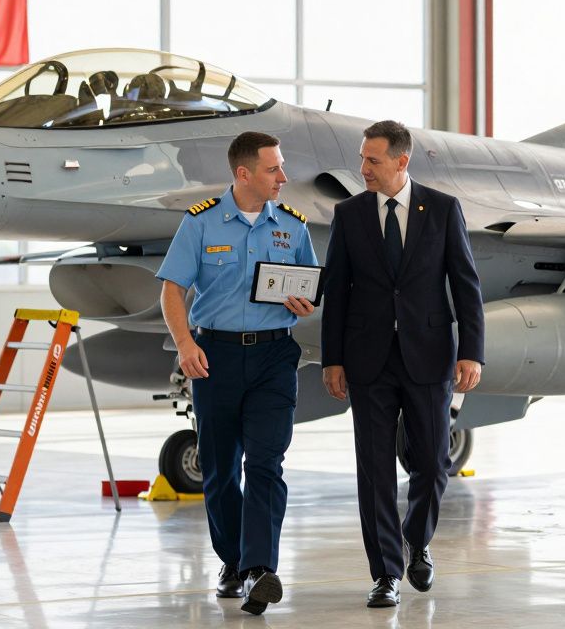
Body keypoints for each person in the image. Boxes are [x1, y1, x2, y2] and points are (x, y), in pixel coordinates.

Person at [321, 120, 485, 608]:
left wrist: (471, 350)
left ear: (401, 161)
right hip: (368, 360)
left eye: (373, 160)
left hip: (428, 356)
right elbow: (339, 293)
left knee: (433, 462)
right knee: (373, 471)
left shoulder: (442, 209)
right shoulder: (349, 214)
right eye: (362, 158)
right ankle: (386, 572)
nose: (363, 169)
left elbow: (466, 285)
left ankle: (417, 541)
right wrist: (333, 360)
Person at [156, 131, 317, 616]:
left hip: (274, 357)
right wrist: (185, 344)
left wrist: (304, 303)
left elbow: (310, 290)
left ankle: (259, 570)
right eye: (274, 169)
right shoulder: (201, 223)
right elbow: (171, 290)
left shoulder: (292, 226)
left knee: (266, 464)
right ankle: (233, 560)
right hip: (215, 357)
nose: (283, 178)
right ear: (243, 173)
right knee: (221, 471)